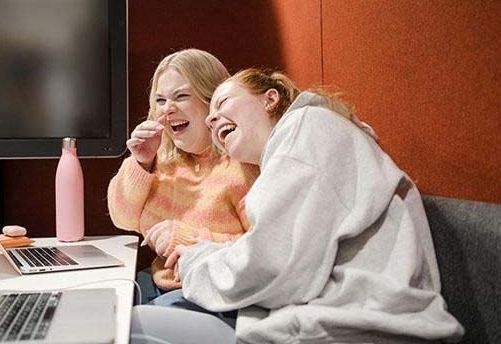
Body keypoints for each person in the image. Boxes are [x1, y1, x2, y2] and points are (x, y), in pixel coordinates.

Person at [154, 69, 464, 343]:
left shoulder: (306, 128)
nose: (210, 118)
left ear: (269, 99)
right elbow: (283, 248)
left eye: (222, 103)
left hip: (353, 326)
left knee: (143, 323)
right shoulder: (303, 140)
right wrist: (208, 252)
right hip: (344, 313)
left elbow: (274, 263)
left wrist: (195, 263)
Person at [107, 49, 259, 304]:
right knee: (98, 306)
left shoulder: (243, 166)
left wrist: (186, 240)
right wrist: (141, 162)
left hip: (212, 292)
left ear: (212, 101)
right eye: (160, 100)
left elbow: (262, 252)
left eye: (181, 96)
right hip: (159, 282)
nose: (167, 109)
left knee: (130, 323)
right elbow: (123, 219)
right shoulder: (161, 158)